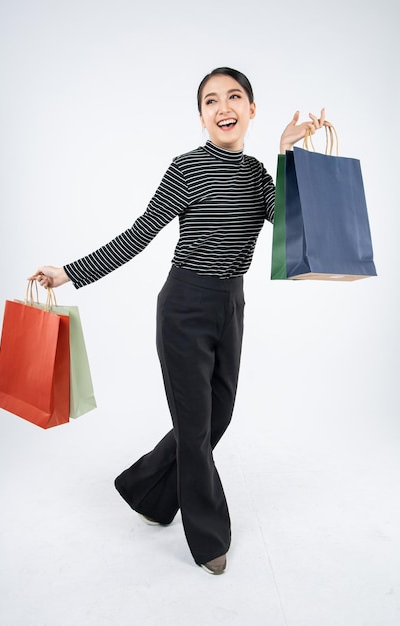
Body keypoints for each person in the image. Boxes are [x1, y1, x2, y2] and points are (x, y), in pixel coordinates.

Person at [30, 67, 326, 575]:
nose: (224, 107)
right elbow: (139, 233)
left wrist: (288, 155)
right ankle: (208, 538)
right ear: (201, 116)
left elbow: (294, 235)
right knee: (194, 430)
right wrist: (69, 273)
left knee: (218, 417)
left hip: (231, 307)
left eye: (235, 97)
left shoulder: (258, 176)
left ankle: (144, 489)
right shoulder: (187, 168)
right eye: (211, 100)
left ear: (252, 109)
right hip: (184, 307)